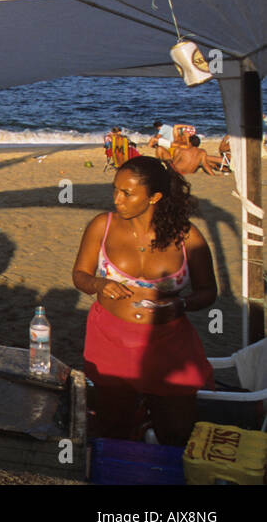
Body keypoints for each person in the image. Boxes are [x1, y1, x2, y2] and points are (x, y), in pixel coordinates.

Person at [70, 156, 216, 445]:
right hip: (110, 340)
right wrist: (98, 283)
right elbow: (80, 274)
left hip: (168, 345)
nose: (117, 199)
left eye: (127, 193)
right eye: (115, 190)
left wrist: (182, 305)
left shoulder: (187, 236)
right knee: (113, 427)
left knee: (175, 431)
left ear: (155, 197)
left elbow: (208, 291)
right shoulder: (103, 225)